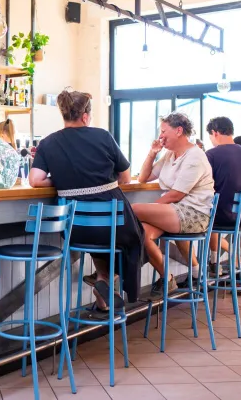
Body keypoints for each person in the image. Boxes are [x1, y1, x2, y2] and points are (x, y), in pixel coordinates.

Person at [29, 90, 145, 314]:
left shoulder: (48, 142)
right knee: (135, 239)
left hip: (75, 229)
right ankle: (105, 279)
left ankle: (104, 290)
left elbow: (35, 180)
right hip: (112, 222)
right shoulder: (102, 136)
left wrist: (62, 179)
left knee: (98, 238)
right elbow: (126, 178)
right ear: (85, 116)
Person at [133, 112, 214, 296]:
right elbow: (143, 177)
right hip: (173, 211)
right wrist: (152, 152)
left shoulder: (195, 156)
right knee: (142, 234)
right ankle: (168, 279)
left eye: (163, 131)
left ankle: (112, 272)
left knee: (134, 209)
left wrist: (151, 209)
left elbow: (176, 194)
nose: (160, 136)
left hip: (193, 213)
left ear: (179, 131)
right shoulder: (170, 155)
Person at [205, 117, 241, 296]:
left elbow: (204, 186)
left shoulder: (211, 155)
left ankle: (211, 265)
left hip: (222, 216)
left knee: (205, 219)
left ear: (215, 133)